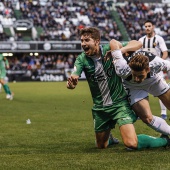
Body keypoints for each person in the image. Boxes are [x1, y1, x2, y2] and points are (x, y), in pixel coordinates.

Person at [67, 27, 170, 150]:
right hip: (101, 107)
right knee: (101, 145)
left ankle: (164, 140)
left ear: (97, 41)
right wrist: (72, 83)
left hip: (120, 104)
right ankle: (108, 138)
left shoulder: (109, 50)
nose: (83, 44)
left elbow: (135, 43)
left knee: (131, 143)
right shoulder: (81, 59)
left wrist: (121, 50)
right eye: (82, 41)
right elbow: (75, 74)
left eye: (87, 40)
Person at [110, 39, 170, 136]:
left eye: (140, 76)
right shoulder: (121, 67)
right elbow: (113, 41)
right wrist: (120, 51)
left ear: (147, 69)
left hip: (154, 82)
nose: (137, 79)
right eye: (135, 75)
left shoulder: (156, 62)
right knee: (147, 118)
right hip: (133, 87)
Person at [138, 20, 168, 119]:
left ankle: (163, 113)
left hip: (157, 69)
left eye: (149, 26)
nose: (147, 28)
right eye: (145, 26)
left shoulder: (159, 39)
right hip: (145, 70)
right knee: (141, 90)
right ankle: (141, 112)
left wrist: (160, 63)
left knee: (162, 89)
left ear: (153, 27)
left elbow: (165, 53)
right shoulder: (141, 40)